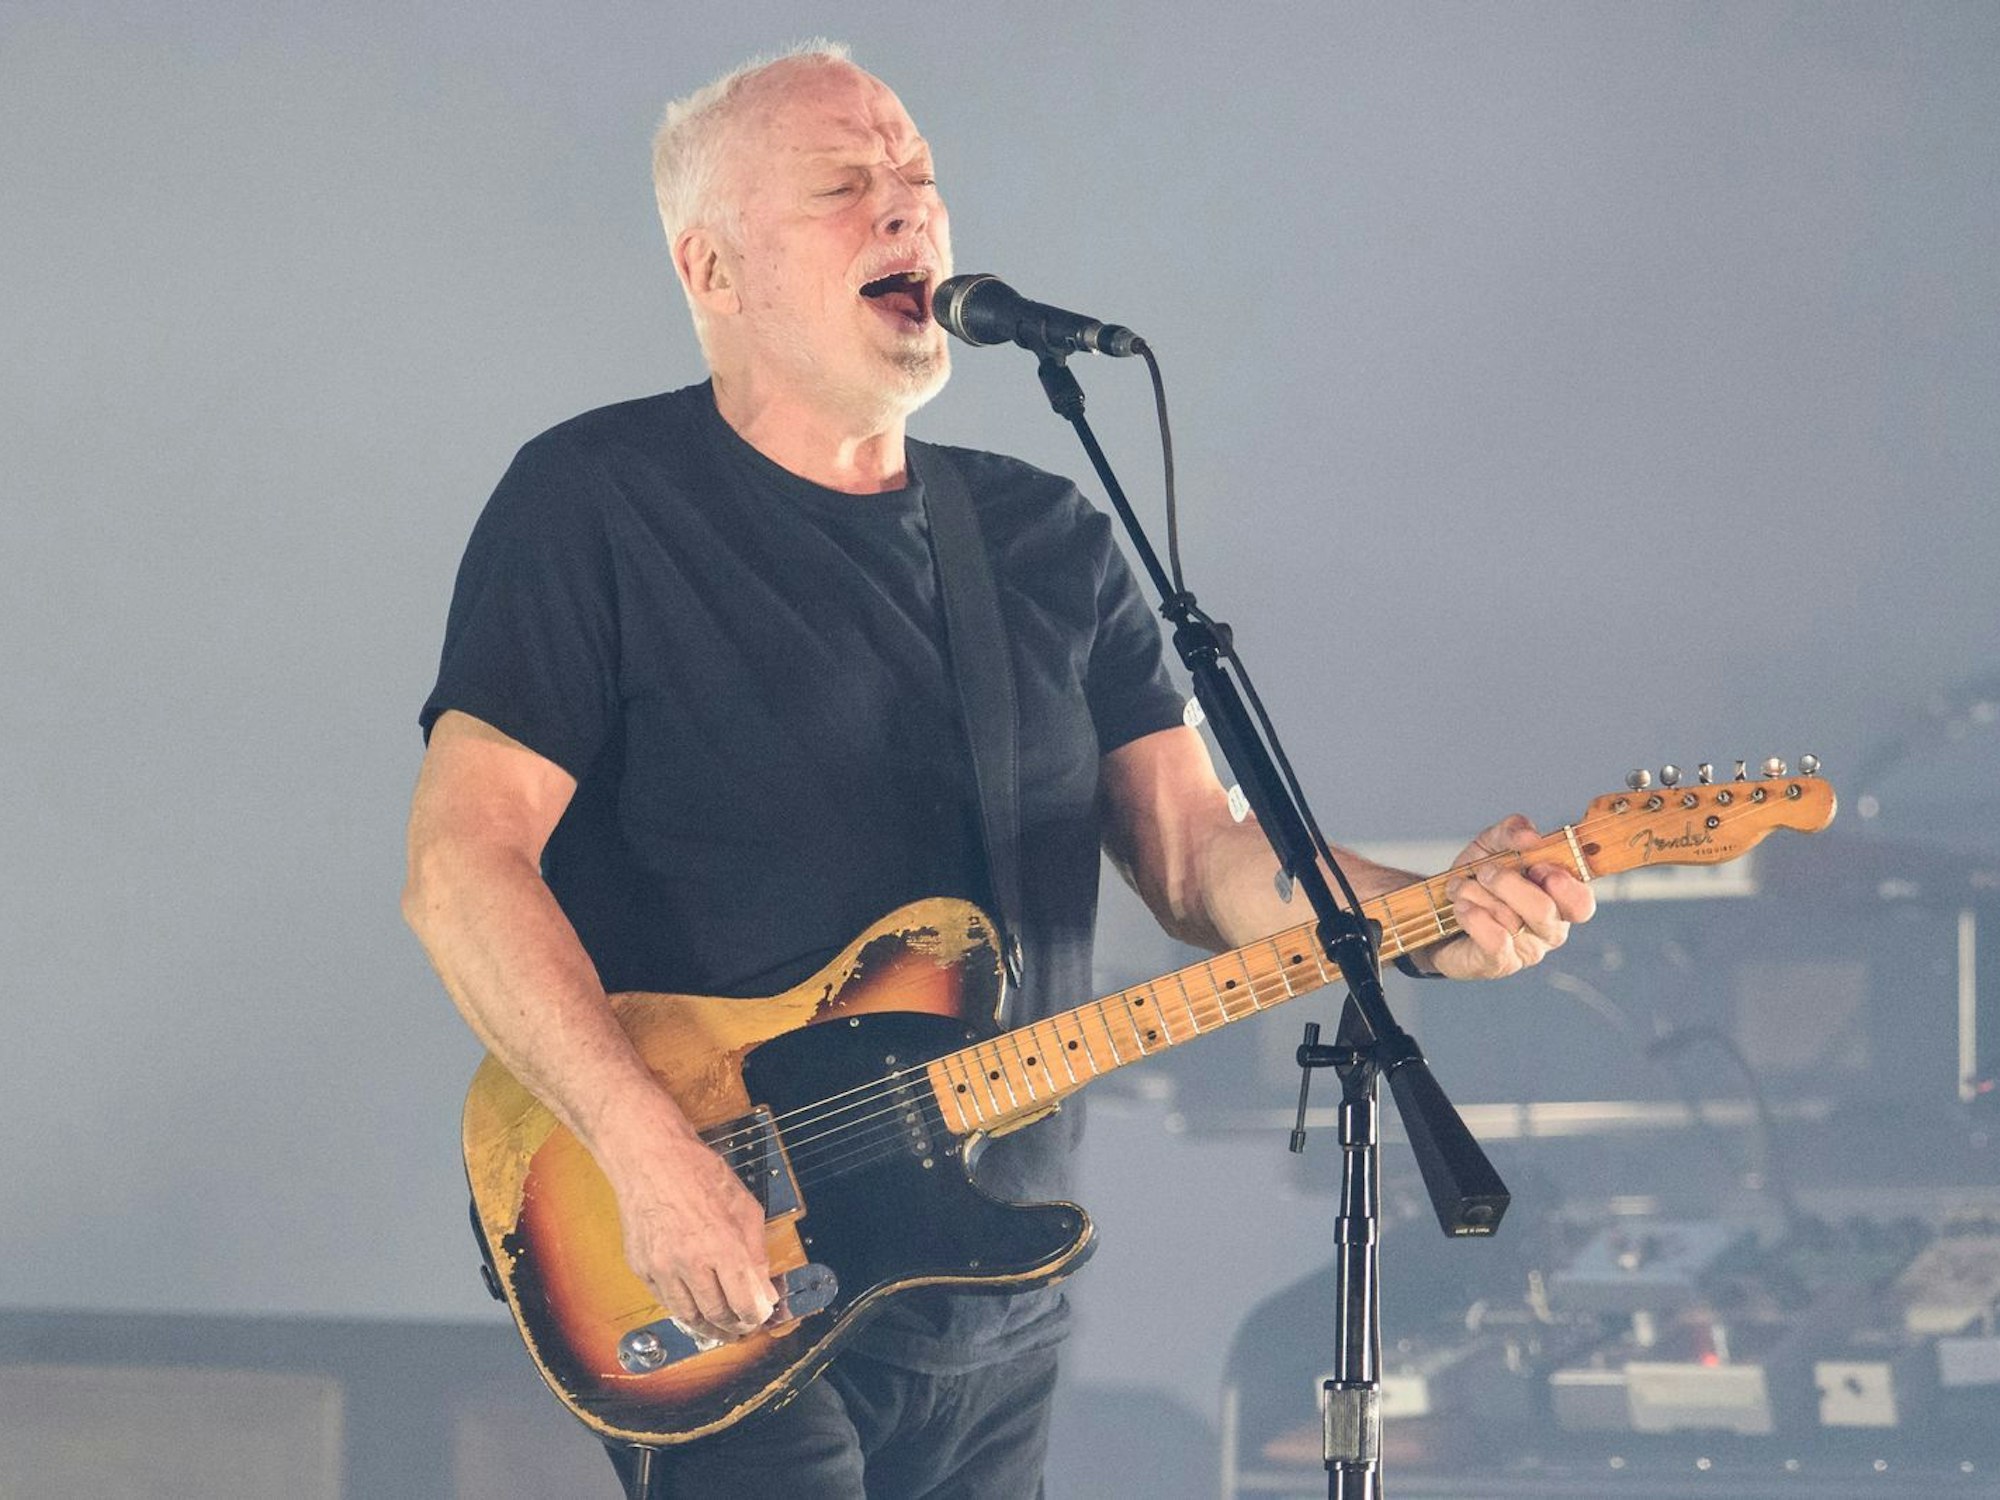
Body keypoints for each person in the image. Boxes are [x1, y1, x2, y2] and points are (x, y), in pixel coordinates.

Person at [401, 42, 1595, 1500]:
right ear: (711, 269)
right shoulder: (596, 502)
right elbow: (461, 867)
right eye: (846, 187)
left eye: (919, 182)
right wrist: (651, 1154)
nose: (908, 214)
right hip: (718, 1238)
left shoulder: (1044, 537)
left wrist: (1431, 913)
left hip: (983, 1258)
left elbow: (1201, 860)